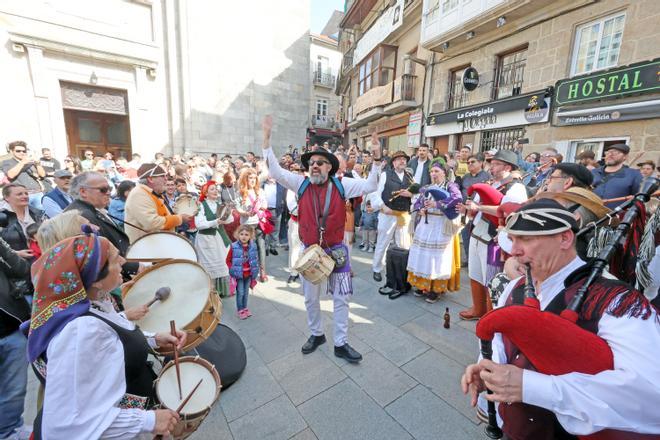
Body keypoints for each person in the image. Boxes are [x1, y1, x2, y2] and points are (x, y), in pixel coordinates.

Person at [461, 199, 660, 438]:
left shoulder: (616, 301)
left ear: (565, 238)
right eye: (512, 239)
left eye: (526, 239)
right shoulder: (515, 286)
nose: (513, 250)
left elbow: (649, 396)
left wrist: (532, 387)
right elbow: (500, 344)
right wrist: (488, 371)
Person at [26, 233, 185, 438]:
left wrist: (152, 339)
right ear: (96, 281)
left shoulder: (92, 304)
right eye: (115, 258)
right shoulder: (81, 332)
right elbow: (68, 425)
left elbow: (112, 338)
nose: (123, 261)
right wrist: (148, 421)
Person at [262, 115, 380, 363]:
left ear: (329, 167)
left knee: (341, 298)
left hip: (336, 251)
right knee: (310, 297)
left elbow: (370, 185)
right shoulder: (300, 183)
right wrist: (266, 139)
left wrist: (377, 159)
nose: (314, 166)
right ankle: (317, 334)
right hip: (310, 252)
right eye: (312, 163)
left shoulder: (342, 185)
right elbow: (274, 170)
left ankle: (340, 342)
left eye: (320, 163)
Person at [457, 150, 528, 320]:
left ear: (507, 167)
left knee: (491, 279)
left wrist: (478, 208)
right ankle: (478, 309)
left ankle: (490, 316)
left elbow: (509, 212)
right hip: (477, 233)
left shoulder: (516, 188)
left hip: (492, 239)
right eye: (491, 164)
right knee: (475, 274)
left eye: (496, 164)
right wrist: (470, 209)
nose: (491, 168)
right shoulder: (494, 183)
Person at [65, 172, 139, 280]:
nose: (109, 192)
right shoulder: (82, 215)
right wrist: (135, 268)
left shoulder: (89, 209)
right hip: (111, 280)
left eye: (109, 188)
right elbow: (101, 254)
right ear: (83, 192)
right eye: (103, 189)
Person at [407, 162, 462, 303]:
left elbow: (457, 198)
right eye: (431, 171)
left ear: (444, 172)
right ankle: (421, 285)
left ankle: (435, 289)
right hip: (426, 224)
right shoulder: (426, 187)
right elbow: (419, 202)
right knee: (421, 255)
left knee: (437, 258)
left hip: (440, 225)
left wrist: (437, 204)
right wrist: (420, 209)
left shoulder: (450, 186)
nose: (433, 174)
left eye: (436, 171)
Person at [0, 237, 32, 440]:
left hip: (10, 327)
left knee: (15, 391)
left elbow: (21, 269)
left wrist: (3, 248)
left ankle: (10, 431)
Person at [371, 150, 414, 282]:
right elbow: (375, 194)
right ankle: (377, 269)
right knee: (383, 243)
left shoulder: (410, 177)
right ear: (393, 163)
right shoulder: (385, 175)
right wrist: (383, 207)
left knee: (404, 245)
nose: (402, 161)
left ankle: (401, 272)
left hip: (403, 215)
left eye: (404, 159)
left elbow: (418, 195)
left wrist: (411, 195)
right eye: (399, 159)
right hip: (387, 215)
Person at [124, 163, 191, 243]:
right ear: (150, 179)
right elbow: (152, 223)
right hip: (145, 250)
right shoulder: (139, 194)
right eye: (163, 176)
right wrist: (180, 218)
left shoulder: (151, 193)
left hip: (156, 246)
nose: (166, 179)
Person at [196, 181, 234, 298]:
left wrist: (227, 215)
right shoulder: (201, 205)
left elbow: (230, 220)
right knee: (208, 267)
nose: (215, 191)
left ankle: (222, 291)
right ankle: (210, 292)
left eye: (216, 189)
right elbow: (199, 224)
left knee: (222, 263)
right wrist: (215, 221)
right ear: (205, 193)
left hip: (219, 238)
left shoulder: (220, 205)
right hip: (205, 239)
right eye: (212, 189)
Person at [236, 168, 269, 281]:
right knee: (249, 248)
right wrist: (246, 213)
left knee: (261, 247)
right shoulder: (240, 192)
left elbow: (265, 205)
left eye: (255, 178)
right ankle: (249, 271)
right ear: (246, 179)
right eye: (250, 178)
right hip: (246, 224)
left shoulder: (260, 191)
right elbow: (238, 209)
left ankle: (263, 272)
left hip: (259, 222)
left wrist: (259, 207)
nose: (253, 180)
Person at [592, 144, 643, 209]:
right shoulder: (593, 172)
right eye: (608, 152)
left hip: (616, 217)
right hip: (591, 215)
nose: (610, 155)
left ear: (625, 157)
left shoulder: (634, 175)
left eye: (615, 152)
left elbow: (638, 199)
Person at [226, 225, 260, 319]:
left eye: (246, 234)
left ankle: (245, 308)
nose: (244, 237)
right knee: (240, 292)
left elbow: (255, 258)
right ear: (238, 235)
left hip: (249, 274)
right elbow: (228, 260)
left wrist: (256, 270)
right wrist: (232, 270)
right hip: (239, 275)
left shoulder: (253, 246)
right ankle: (240, 310)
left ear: (250, 236)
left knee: (246, 292)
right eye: (241, 234)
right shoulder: (234, 246)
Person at [1, 141, 46, 210]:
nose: (21, 153)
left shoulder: (30, 161)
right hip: (22, 195)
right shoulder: (7, 162)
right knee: (26, 217)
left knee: (42, 215)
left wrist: (38, 164)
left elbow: (42, 175)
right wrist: (22, 162)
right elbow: (11, 175)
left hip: (38, 193)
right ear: (11, 151)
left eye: (24, 151)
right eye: (18, 151)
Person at [285, 163, 304, 285]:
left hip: (310, 223)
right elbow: (292, 207)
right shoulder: (292, 188)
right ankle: (294, 271)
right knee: (295, 247)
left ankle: (305, 270)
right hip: (297, 222)